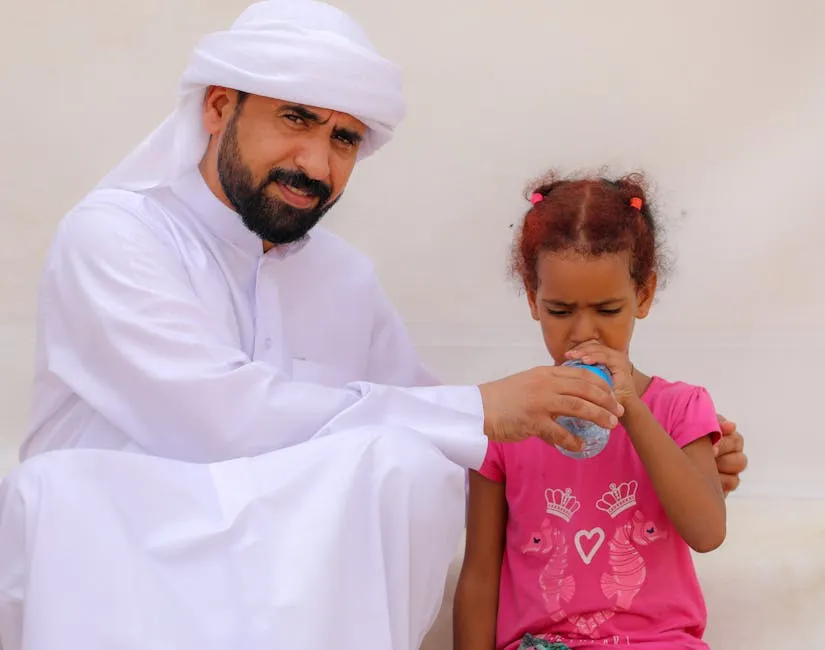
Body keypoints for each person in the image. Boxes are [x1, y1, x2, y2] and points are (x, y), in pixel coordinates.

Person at [0, 1, 745, 648]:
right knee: (391, 452)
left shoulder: (341, 276)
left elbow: (452, 440)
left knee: (410, 463)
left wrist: (679, 447)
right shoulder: (115, 236)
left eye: (343, 138)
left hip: (280, 577)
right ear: (219, 107)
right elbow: (210, 421)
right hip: (127, 553)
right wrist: (478, 409)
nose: (315, 161)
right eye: (295, 119)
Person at [453, 172, 729, 650]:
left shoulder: (681, 408)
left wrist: (633, 411)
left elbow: (706, 532)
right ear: (532, 297)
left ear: (643, 296)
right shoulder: (503, 421)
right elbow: (480, 576)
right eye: (560, 311)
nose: (585, 333)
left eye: (607, 310)